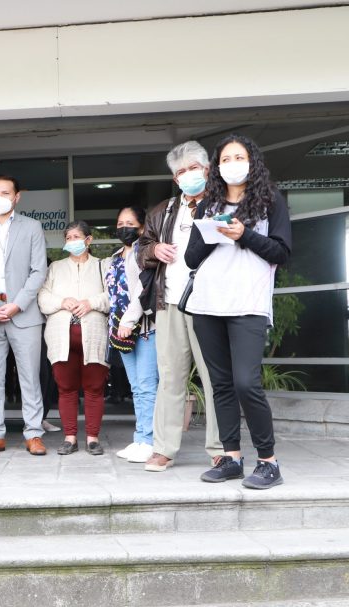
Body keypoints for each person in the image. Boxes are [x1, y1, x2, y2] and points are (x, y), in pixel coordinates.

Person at [184, 133, 292, 490]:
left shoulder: (270, 201)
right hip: (207, 303)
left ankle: (268, 461)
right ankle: (231, 457)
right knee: (221, 385)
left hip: (248, 303)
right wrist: (210, 233)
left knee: (247, 382)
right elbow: (190, 258)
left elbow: (281, 253)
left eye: (238, 157)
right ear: (217, 166)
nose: (232, 164)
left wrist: (243, 234)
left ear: (252, 161)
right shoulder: (207, 204)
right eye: (225, 159)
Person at [137, 141, 223, 472]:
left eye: (193, 168)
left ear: (207, 169)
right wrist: (154, 249)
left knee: (214, 378)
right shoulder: (163, 210)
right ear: (175, 179)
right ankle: (163, 448)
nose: (188, 175)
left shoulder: (222, 206)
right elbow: (142, 247)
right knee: (171, 377)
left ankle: (220, 447)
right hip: (170, 301)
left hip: (211, 304)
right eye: (181, 171)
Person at [0, 175, 48, 456]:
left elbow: (39, 270)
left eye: (5, 192)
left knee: (29, 377)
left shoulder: (32, 227)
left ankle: (34, 433)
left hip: (23, 313)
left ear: (17, 197)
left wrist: (17, 304)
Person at [37, 221, 110, 455]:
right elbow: (43, 298)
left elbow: (114, 297)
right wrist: (62, 302)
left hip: (95, 336)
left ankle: (92, 438)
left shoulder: (103, 266)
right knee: (66, 388)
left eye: (76, 237)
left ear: (88, 240)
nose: (72, 241)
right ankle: (70, 437)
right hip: (61, 338)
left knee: (94, 388)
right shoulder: (55, 267)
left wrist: (92, 303)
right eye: (68, 237)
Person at [106, 206, 159, 463]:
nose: (123, 227)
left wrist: (128, 320)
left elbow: (143, 289)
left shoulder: (143, 252)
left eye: (129, 222)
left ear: (141, 227)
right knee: (136, 387)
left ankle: (149, 440)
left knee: (148, 387)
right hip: (122, 330)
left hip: (145, 327)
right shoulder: (116, 256)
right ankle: (140, 438)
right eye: (120, 222)